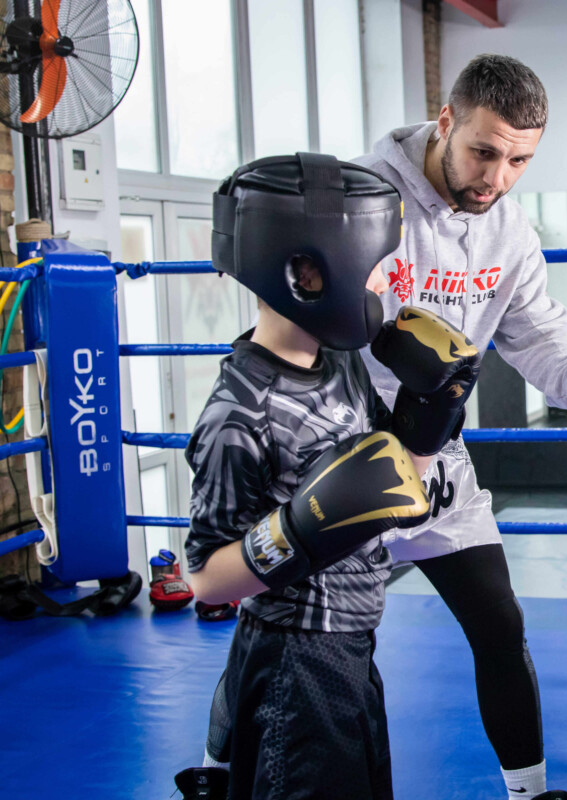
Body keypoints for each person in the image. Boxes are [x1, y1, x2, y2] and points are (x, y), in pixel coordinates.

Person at [354, 54, 567, 799]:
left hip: (436, 453)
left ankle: (529, 795)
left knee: (499, 624)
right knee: (313, 637)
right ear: (445, 123)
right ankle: (219, 772)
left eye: (520, 160)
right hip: (343, 454)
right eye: (483, 151)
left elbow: (536, 333)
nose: (497, 177)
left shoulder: (507, 230)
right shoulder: (363, 198)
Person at [178, 153, 481, 800]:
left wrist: (430, 421)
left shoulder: (341, 368)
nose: (381, 287)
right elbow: (204, 577)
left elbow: (394, 489)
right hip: (295, 658)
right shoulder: (240, 415)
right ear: (308, 273)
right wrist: (298, 531)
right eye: (372, 271)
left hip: (354, 643)